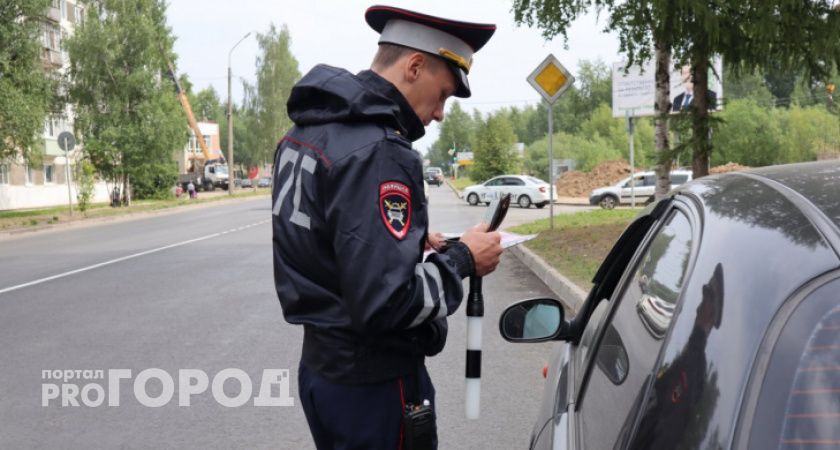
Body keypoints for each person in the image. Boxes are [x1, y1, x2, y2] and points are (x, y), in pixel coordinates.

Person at [271, 5, 501, 449]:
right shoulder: (380, 150)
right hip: (373, 387)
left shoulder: (307, 130)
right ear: (415, 66)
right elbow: (387, 303)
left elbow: (329, 242)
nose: (439, 114)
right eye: (444, 94)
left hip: (323, 374)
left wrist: (410, 244)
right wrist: (463, 259)